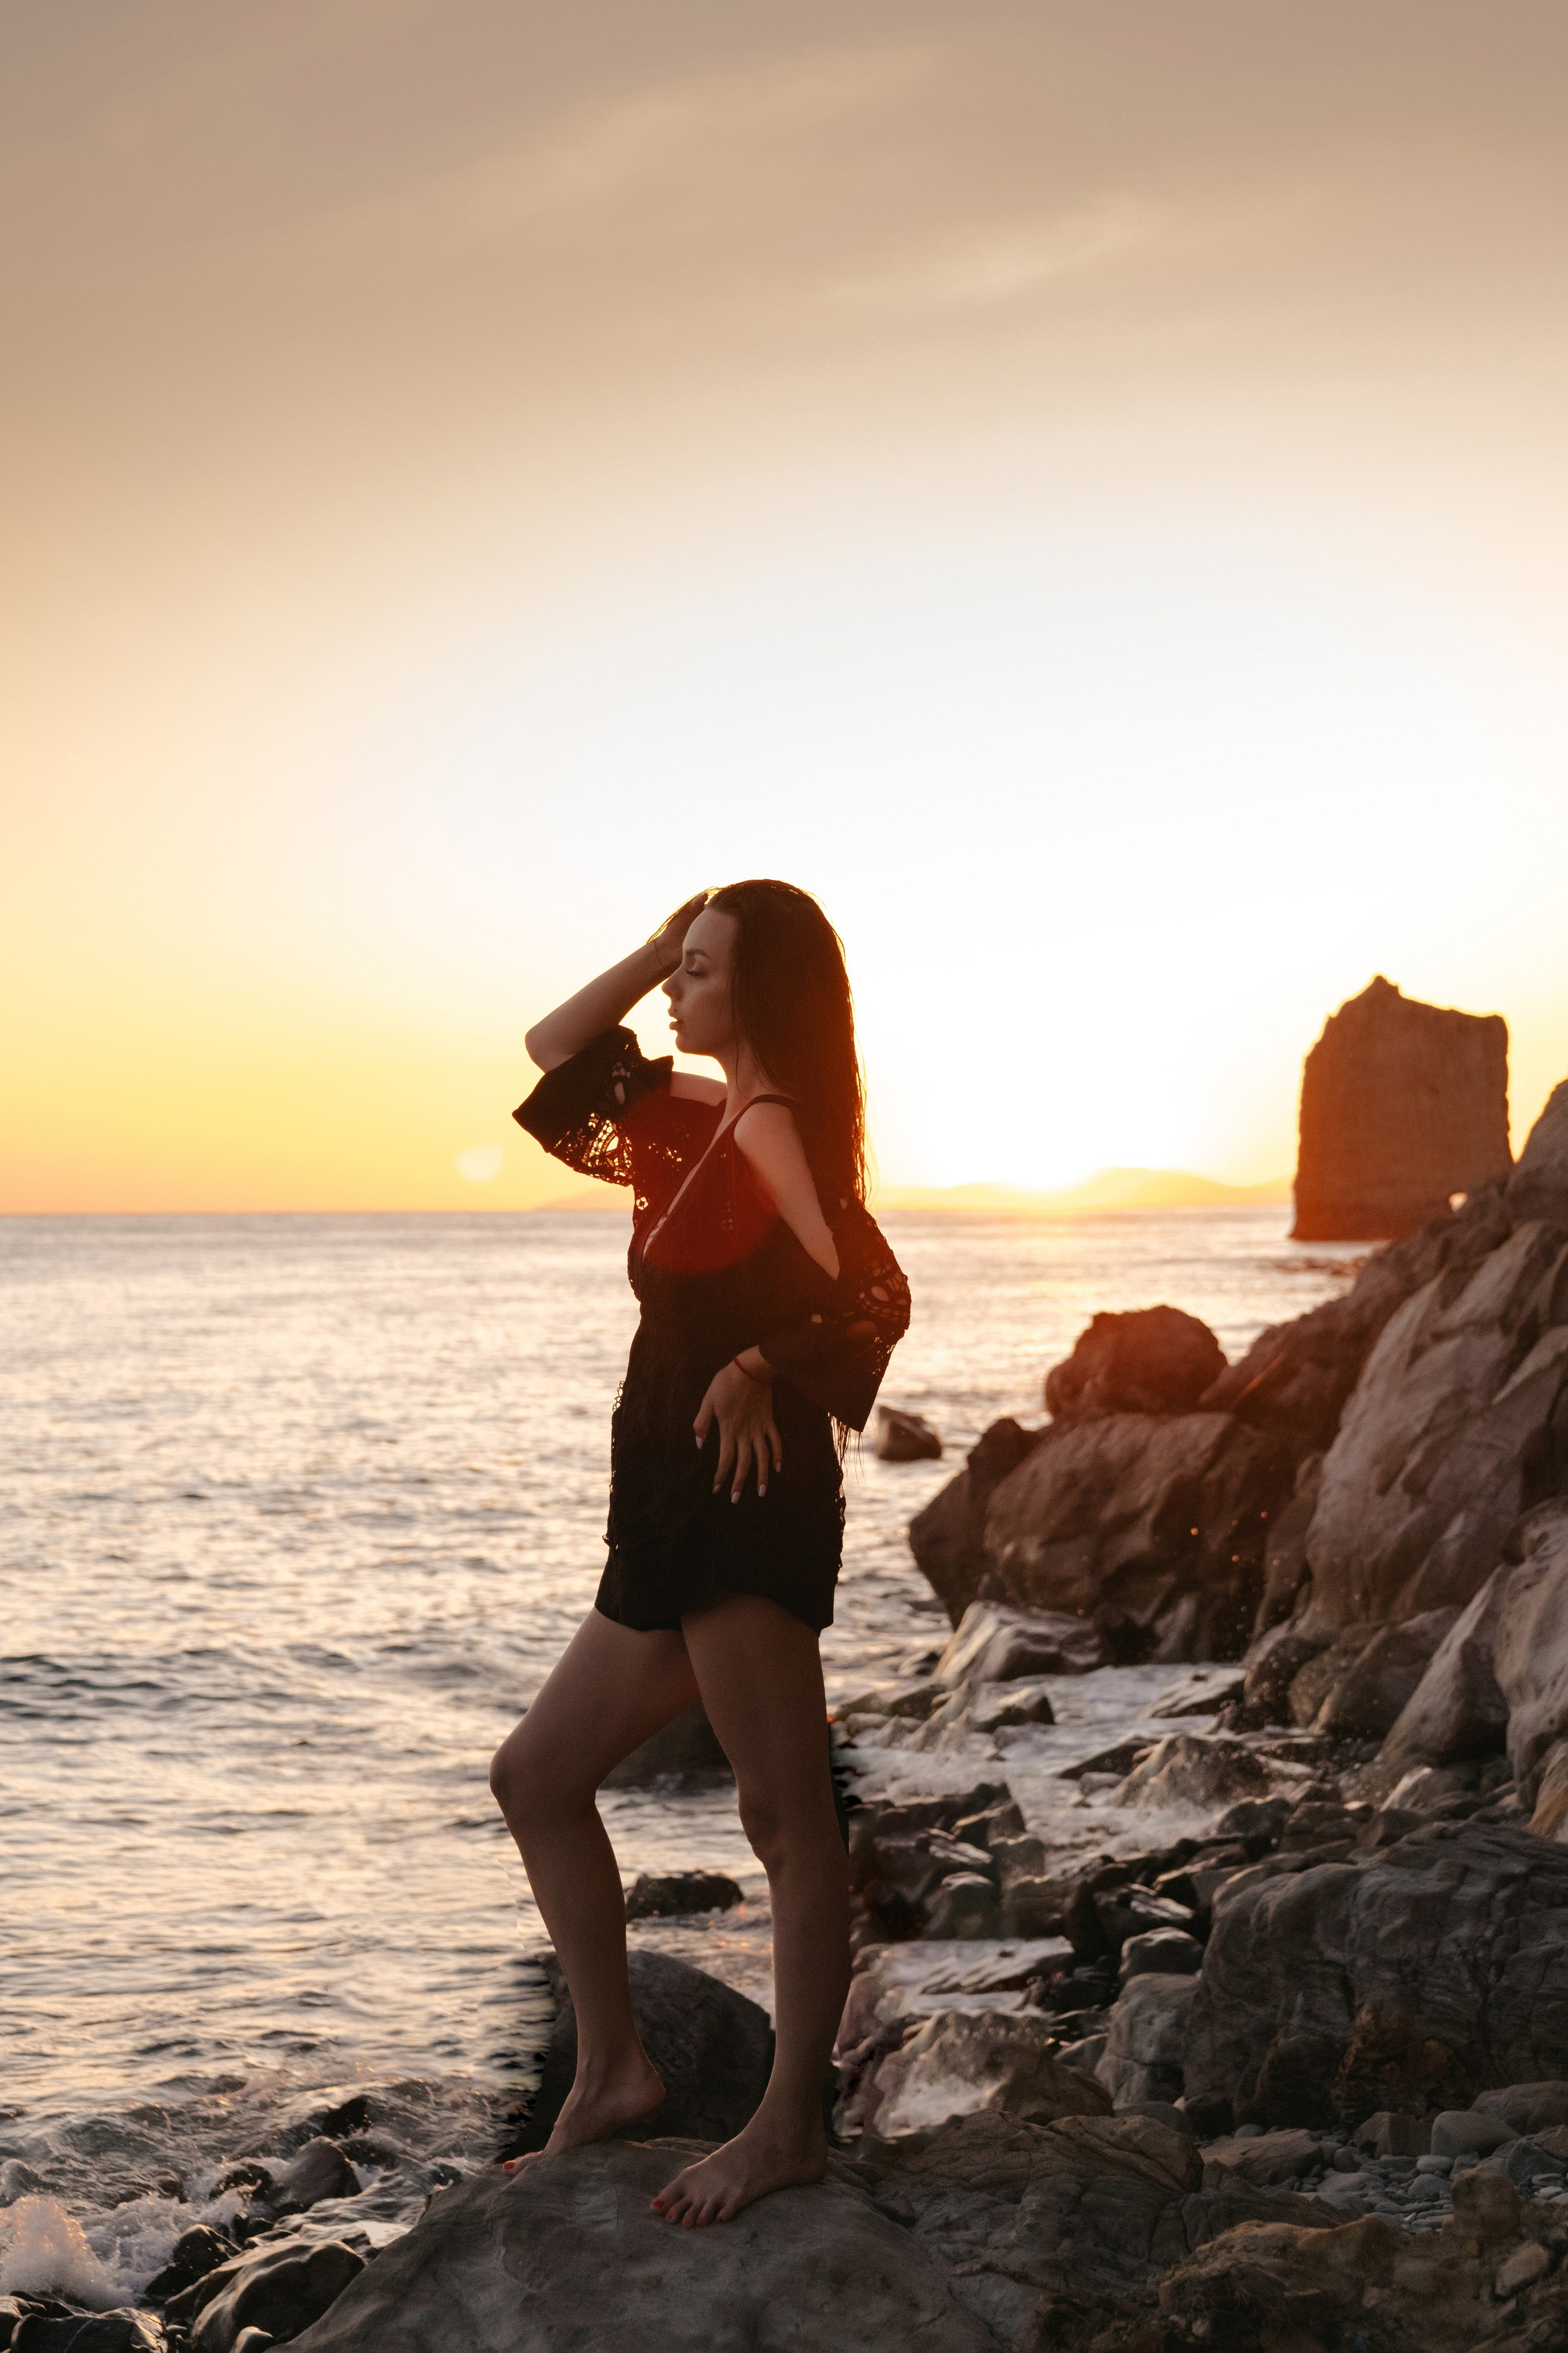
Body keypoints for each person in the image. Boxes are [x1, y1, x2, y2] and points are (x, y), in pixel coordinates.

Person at [489, 878, 910, 2228]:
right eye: (678, 969)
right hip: (668, 1511)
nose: (676, 992)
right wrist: (654, 942)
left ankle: (789, 2128)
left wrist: (757, 1362)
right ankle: (615, 2070)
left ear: (763, 990)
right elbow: (555, 1047)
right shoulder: (688, 1115)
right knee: (536, 1775)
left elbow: (875, 1294)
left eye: (702, 971)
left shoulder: (772, 1126)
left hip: (745, 1504)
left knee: (784, 1821)